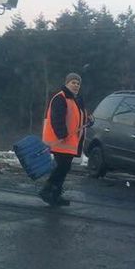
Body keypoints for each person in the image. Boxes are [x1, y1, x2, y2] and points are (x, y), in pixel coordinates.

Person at [40, 72, 89, 206]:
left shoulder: (75, 100)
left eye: (78, 83)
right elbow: (57, 118)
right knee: (61, 168)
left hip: (69, 142)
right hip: (60, 141)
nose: (76, 85)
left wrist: (88, 120)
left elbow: (77, 119)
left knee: (63, 168)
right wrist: (61, 133)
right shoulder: (60, 98)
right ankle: (47, 191)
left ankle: (54, 194)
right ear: (67, 83)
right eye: (73, 82)